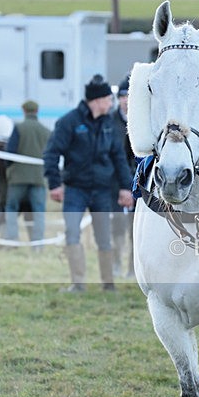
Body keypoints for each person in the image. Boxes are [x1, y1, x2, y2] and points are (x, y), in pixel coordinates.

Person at [43, 74, 134, 292]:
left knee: (104, 238)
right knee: (72, 233)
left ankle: (108, 283)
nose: (112, 103)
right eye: (108, 99)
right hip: (75, 189)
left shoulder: (109, 125)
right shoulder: (69, 122)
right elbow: (51, 154)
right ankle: (78, 283)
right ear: (97, 100)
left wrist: (125, 187)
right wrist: (54, 184)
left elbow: (119, 158)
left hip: (102, 191)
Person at [4, 100, 50, 246]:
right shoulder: (46, 131)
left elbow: (10, 154)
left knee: (11, 208)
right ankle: (38, 244)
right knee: (39, 213)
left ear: (24, 111)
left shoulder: (18, 128)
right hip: (38, 179)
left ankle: (12, 240)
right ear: (37, 111)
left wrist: (8, 168)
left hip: (17, 178)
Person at [110, 75, 136, 277]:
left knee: (135, 230)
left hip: (137, 183)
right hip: (114, 184)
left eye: (130, 95)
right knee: (116, 228)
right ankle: (116, 263)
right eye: (123, 96)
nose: (126, 100)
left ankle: (132, 268)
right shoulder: (109, 122)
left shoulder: (141, 122)